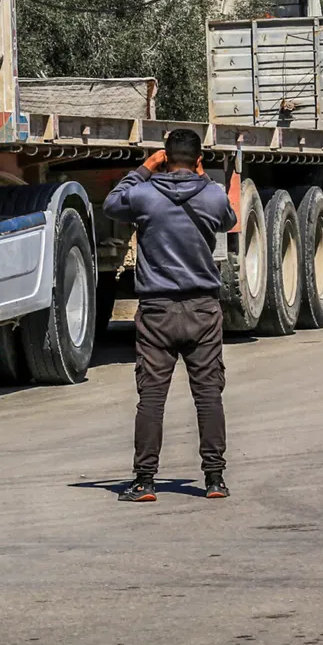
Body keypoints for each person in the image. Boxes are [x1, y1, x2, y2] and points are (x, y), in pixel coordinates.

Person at [103, 128, 237, 503]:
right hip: (203, 309)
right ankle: (214, 478)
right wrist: (204, 178)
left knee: (152, 397)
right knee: (208, 394)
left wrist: (144, 169)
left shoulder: (144, 195)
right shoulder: (211, 194)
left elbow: (112, 204)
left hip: (157, 310)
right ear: (197, 160)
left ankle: (145, 481)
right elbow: (228, 218)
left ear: (163, 156)